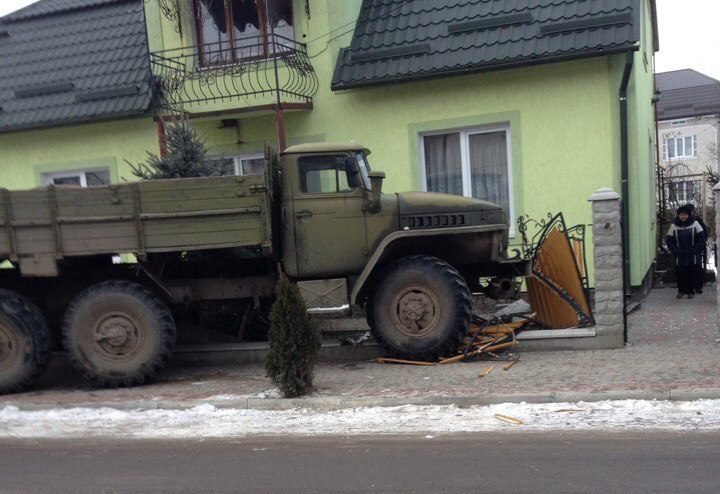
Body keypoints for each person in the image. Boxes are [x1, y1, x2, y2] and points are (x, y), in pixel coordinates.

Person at [667, 205, 706, 299]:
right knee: (680, 273)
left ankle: (690, 291)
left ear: (688, 215)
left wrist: (696, 249)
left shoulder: (695, 224)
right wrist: (675, 251)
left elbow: (702, 238)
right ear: (678, 215)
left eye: (685, 214)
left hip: (692, 254)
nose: (683, 216)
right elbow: (669, 241)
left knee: (691, 272)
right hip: (679, 254)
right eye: (681, 215)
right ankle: (681, 290)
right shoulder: (673, 226)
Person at [684, 204, 708, 294]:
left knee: (692, 268)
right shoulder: (696, 220)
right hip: (692, 248)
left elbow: (703, 234)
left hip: (694, 249)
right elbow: (705, 233)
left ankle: (694, 287)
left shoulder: (695, 221)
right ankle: (696, 287)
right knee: (696, 268)